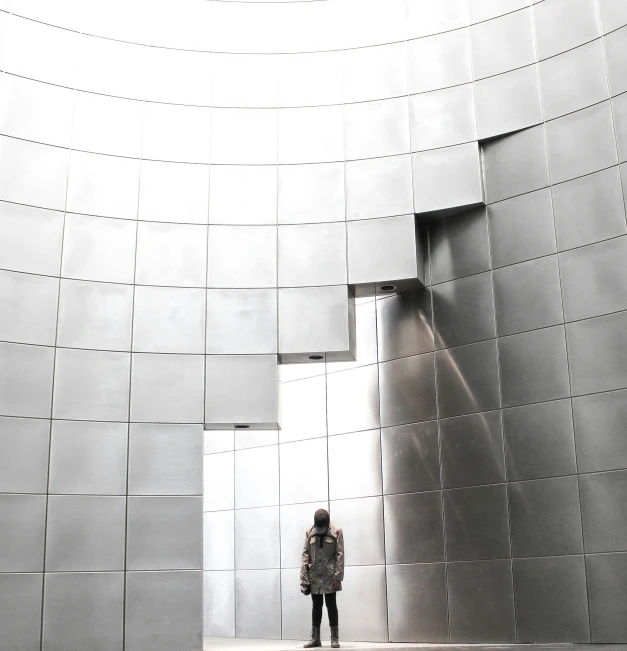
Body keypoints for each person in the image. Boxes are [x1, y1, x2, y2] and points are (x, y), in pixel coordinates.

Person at [300, 509, 344, 649]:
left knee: (331, 605)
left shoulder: (336, 531)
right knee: (316, 606)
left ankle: (334, 638)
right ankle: (315, 638)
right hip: (314, 576)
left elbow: (340, 555)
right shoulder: (310, 532)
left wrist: (338, 576)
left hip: (330, 576)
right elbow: (305, 555)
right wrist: (303, 577)